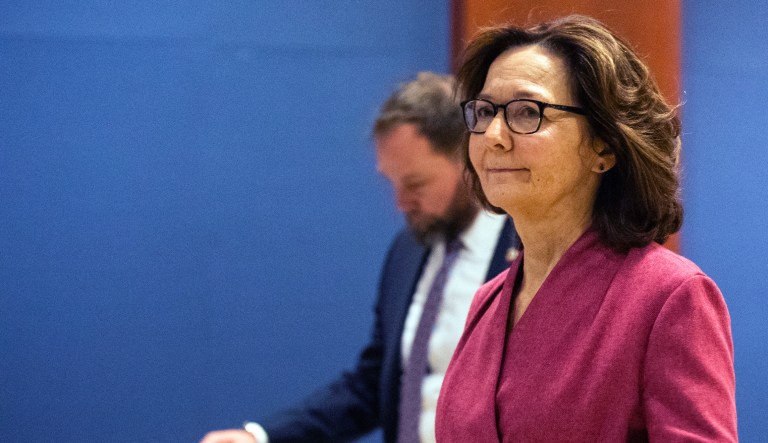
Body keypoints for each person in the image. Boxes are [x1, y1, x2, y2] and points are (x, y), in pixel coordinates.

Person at [434, 15, 737, 442]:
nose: (494, 136)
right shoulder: (488, 301)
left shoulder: (669, 296)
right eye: (484, 112)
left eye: (527, 112)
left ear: (605, 147)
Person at [200, 72, 519, 443]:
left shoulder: (528, 253)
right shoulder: (408, 251)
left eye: (415, 184)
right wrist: (260, 437)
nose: (401, 203)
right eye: (392, 182)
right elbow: (374, 384)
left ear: (469, 159)